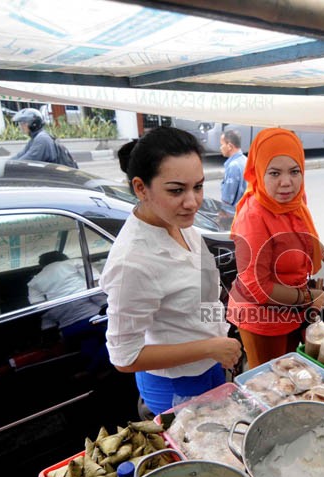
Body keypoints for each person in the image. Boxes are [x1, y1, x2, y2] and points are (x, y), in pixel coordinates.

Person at [99, 127, 242, 416]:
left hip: (212, 363)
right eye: (176, 190)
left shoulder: (178, 223)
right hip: (176, 385)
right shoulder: (133, 262)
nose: (192, 202)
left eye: (198, 187)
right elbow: (125, 358)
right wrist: (209, 347)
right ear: (141, 188)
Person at [227, 128, 324, 369]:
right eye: (274, 173)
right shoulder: (253, 217)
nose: (286, 182)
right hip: (263, 321)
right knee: (271, 386)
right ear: (259, 172)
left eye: (294, 171)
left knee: (295, 373)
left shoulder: (294, 201)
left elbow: (302, 235)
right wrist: (311, 297)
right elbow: (259, 289)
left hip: (295, 310)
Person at [28, 251, 107, 369]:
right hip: (95, 318)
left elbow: (39, 307)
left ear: (42, 265)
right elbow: (96, 283)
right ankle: (95, 370)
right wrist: (106, 304)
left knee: (89, 342)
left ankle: (94, 371)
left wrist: (49, 327)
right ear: (64, 258)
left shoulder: (34, 282)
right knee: (120, 340)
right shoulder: (74, 263)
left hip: (68, 327)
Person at [219, 129, 248, 207]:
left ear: (229, 146)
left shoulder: (233, 166)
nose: (220, 148)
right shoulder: (246, 161)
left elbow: (227, 199)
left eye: (222, 144)